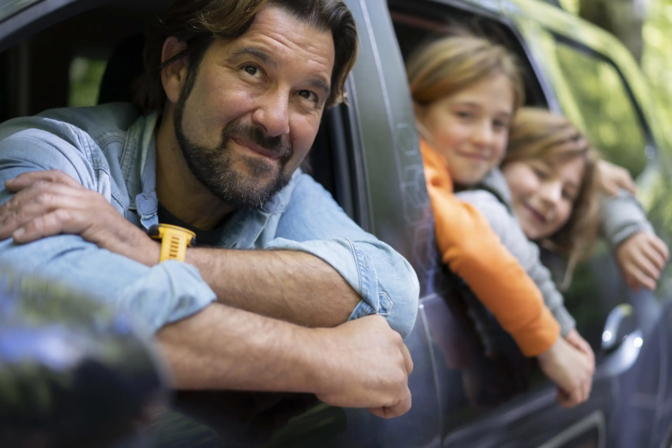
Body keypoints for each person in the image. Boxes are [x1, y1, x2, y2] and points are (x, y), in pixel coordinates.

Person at [0, 0, 419, 419]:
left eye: (306, 95)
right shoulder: (50, 153)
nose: (276, 121)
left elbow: (392, 290)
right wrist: (323, 358)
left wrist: (158, 256)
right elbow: (35, 301)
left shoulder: (279, 187)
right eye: (252, 70)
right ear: (178, 71)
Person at [406, 34, 594, 408]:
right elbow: (472, 246)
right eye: (465, 115)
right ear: (415, 111)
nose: (484, 138)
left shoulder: (431, 175)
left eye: (499, 124)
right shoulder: (426, 177)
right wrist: (549, 344)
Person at [496, 107, 669, 292]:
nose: (552, 197)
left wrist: (627, 231)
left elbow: (601, 195)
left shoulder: (543, 270)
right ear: (500, 153)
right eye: (540, 173)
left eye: (567, 194)